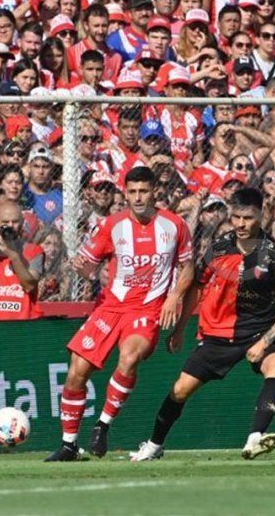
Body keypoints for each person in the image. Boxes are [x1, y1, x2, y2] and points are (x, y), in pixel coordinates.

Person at [131, 188, 275, 461]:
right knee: (180, 390)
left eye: (248, 218)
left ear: (262, 214)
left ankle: (255, 439)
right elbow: (196, 289)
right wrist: (179, 329)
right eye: (236, 217)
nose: (241, 224)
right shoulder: (218, 248)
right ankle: (154, 444)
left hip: (259, 331)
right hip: (217, 333)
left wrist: (265, 342)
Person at [46, 166, 194, 461]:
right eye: (133, 192)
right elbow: (88, 266)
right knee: (76, 371)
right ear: (125, 193)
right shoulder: (111, 226)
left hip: (148, 309)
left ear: (155, 192)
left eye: (144, 191)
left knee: (129, 358)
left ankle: (102, 426)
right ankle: (68, 445)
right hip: (110, 308)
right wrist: (81, 266)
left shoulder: (174, 226)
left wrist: (173, 297)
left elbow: (188, 267)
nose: (138, 198)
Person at [0, 200, 45, 320]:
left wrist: (13, 255)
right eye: (5, 222)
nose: (10, 226)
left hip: (24, 322)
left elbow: (29, 286)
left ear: (22, 222)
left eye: (15, 221)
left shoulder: (33, 251)